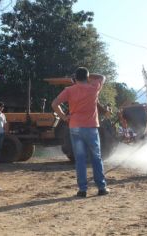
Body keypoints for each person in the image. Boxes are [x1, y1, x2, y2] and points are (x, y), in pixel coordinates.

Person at [51, 67, 109, 197]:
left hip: (75, 127)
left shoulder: (69, 90)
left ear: (75, 78)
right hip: (91, 127)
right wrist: (89, 75)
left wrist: (64, 117)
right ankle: (101, 187)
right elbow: (102, 76)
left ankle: (82, 190)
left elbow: (54, 103)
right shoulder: (94, 87)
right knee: (96, 158)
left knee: (80, 160)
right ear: (87, 78)